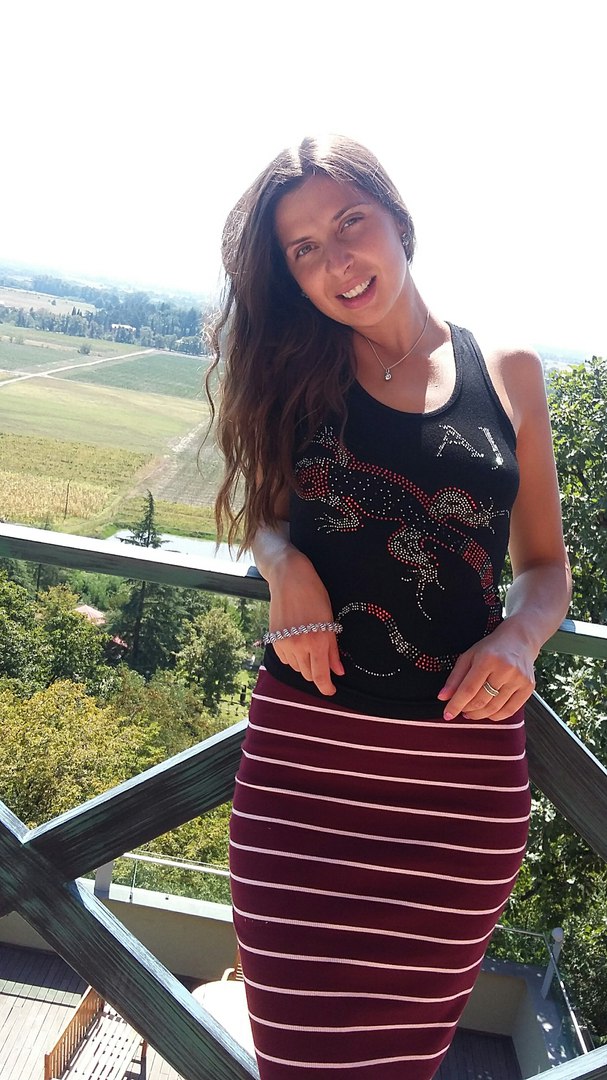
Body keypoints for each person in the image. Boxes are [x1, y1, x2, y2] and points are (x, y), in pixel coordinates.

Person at [207, 135, 571, 1079]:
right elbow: (266, 518)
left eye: (349, 224)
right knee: (302, 1060)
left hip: (458, 788)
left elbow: (543, 567)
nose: (336, 261)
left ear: (396, 219)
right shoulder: (294, 372)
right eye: (303, 250)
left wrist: (521, 637)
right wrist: (282, 563)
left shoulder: (509, 372)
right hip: (306, 773)